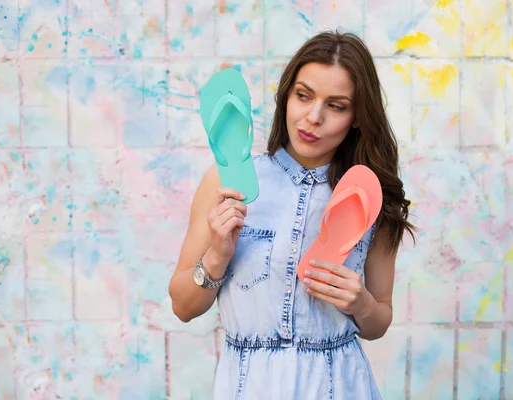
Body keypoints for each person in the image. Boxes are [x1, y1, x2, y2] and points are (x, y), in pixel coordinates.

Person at [168, 30, 415, 399]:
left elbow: (379, 321)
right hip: (248, 388)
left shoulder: (367, 197)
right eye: (303, 96)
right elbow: (182, 307)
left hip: (340, 387)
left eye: (336, 105)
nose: (313, 117)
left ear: (357, 117)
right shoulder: (226, 182)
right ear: (286, 96)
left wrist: (361, 303)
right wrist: (217, 256)